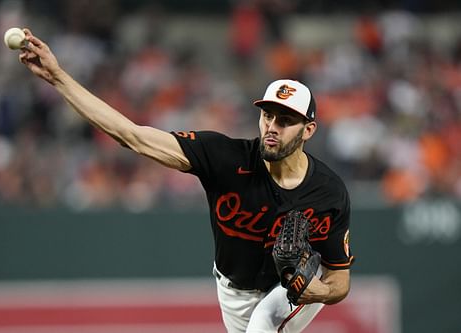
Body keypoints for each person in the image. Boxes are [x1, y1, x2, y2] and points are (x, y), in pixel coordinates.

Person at [18, 28, 354, 333]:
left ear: (308, 130)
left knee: (264, 322)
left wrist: (317, 291)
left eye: (286, 120)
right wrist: (58, 77)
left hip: (293, 286)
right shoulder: (225, 158)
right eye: (267, 115)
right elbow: (131, 136)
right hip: (232, 292)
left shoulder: (327, 191)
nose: (272, 127)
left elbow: (339, 279)